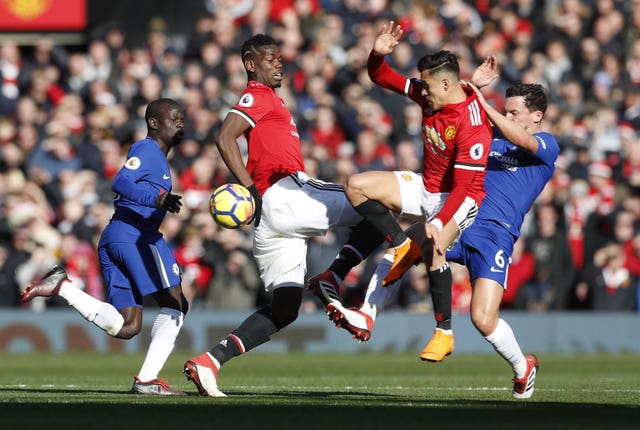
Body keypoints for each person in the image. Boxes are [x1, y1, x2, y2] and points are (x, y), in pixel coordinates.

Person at [329, 65, 559, 400]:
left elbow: (519, 137)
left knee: (482, 319)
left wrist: (484, 103)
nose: (508, 116)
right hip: (463, 217)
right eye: (506, 109)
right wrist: (472, 87)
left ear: (536, 116)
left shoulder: (545, 144)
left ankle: (523, 368)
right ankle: (367, 314)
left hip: (496, 236)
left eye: (515, 112)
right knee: (407, 245)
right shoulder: (488, 138)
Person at [183, 34, 384, 397]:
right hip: (285, 194)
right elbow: (225, 137)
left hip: (272, 221)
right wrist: (250, 189)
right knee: (377, 205)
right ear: (250, 64)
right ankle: (332, 277)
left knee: (287, 306)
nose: (279, 64)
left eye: (280, 58)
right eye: (270, 58)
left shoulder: (272, 100)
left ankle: (210, 361)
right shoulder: (257, 95)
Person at [317, 21, 492, 353]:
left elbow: (466, 185)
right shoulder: (431, 96)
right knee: (357, 186)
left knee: (433, 243)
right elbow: (381, 76)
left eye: (426, 87)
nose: (420, 92)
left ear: (445, 83)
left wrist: (438, 223)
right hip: (426, 186)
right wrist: (376, 55)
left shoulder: (472, 123)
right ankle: (366, 314)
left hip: (461, 198)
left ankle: (444, 333)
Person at [21, 98, 188, 396]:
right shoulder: (147, 149)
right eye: (174, 118)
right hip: (137, 236)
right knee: (176, 304)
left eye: (182, 118)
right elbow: (121, 181)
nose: (180, 123)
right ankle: (147, 381)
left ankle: (62, 287)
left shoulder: (158, 155)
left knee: (127, 326)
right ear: (153, 123)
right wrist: (156, 199)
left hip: (115, 237)